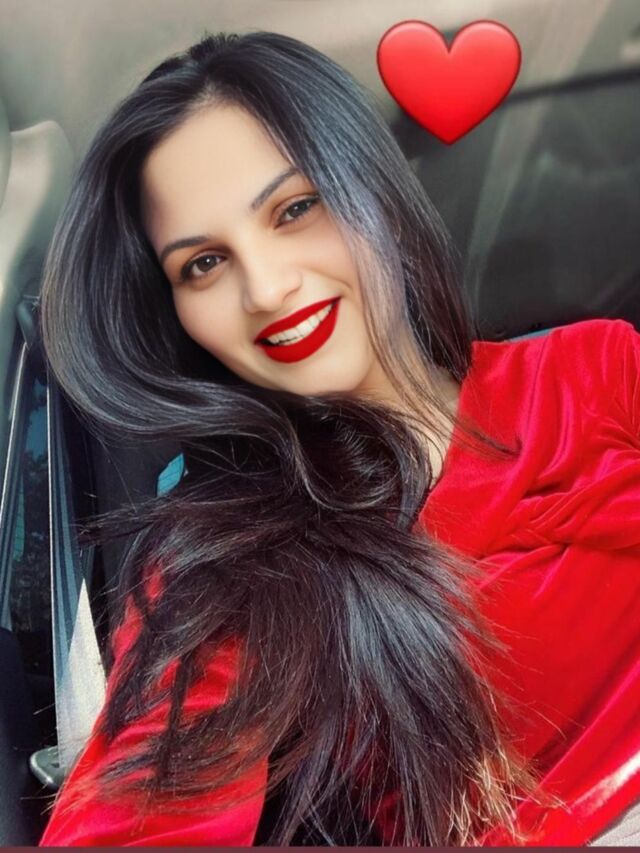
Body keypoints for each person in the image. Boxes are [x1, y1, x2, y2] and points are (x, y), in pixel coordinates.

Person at [37, 30, 639, 847]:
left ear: (373, 192)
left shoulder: (599, 369)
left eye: (295, 209)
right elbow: (143, 810)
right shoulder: (234, 557)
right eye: (203, 263)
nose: (266, 287)